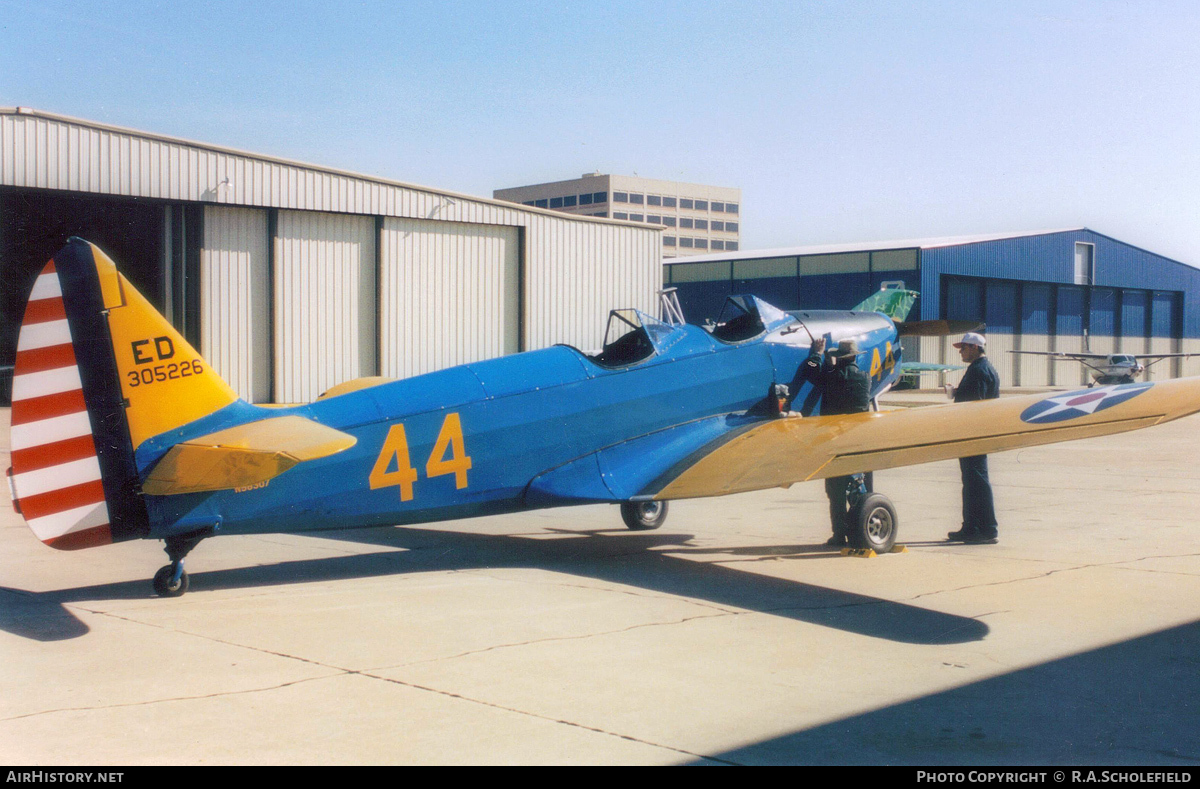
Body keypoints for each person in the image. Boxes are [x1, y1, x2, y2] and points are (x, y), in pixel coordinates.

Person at [804, 337, 874, 546]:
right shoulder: (865, 377)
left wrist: (816, 354)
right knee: (857, 487)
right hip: (858, 440)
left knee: (835, 491)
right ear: (854, 357)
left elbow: (810, 370)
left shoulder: (832, 376)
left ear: (839, 357)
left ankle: (839, 534)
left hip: (836, 440)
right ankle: (859, 530)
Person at [946, 332, 1001, 544]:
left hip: (973, 434)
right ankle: (971, 527)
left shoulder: (979, 370)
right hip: (976, 433)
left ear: (975, 348)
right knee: (972, 481)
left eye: (964, 347)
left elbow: (976, 406)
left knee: (976, 481)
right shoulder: (983, 369)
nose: (961, 351)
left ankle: (987, 529)